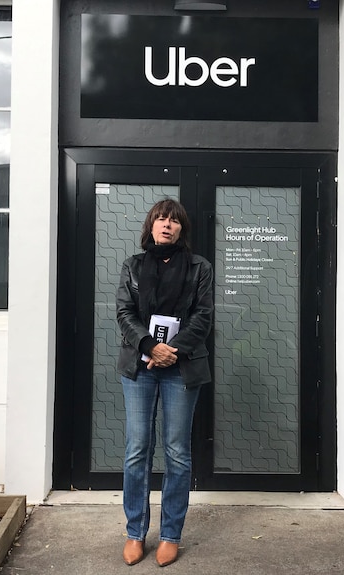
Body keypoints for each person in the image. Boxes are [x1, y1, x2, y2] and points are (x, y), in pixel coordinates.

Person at [115, 198, 214, 567]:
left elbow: (203, 316)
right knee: (137, 449)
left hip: (181, 367)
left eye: (174, 220)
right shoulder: (134, 266)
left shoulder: (200, 267)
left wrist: (171, 350)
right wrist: (149, 347)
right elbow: (124, 312)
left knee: (176, 451)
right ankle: (135, 533)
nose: (167, 225)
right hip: (140, 366)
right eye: (161, 219)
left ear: (182, 229)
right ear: (151, 226)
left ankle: (171, 534)